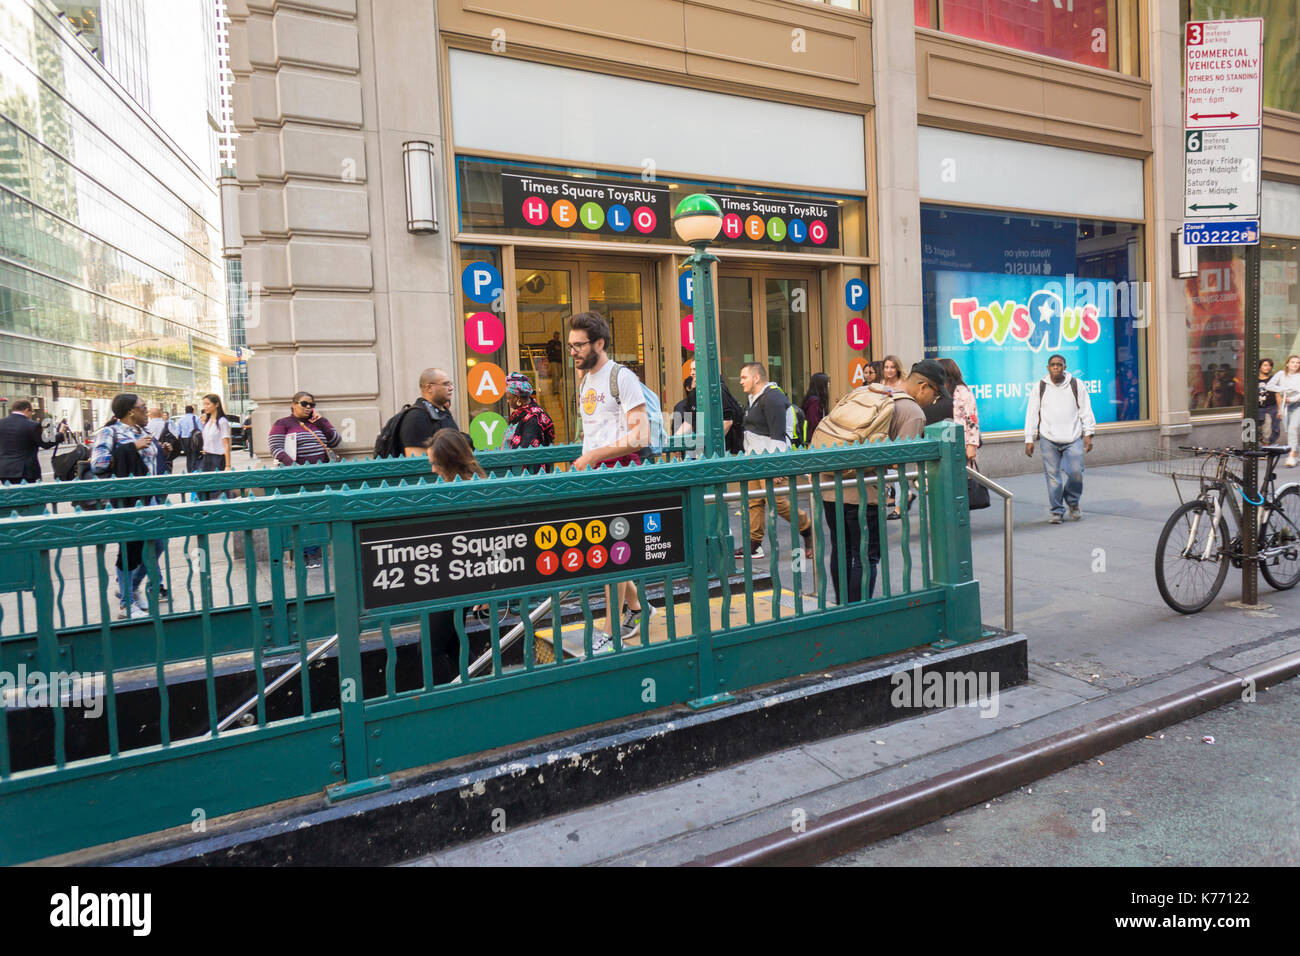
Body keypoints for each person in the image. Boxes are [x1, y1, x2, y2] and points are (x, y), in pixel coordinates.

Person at [811, 360, 946, 603]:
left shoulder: (868, 391)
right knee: (865, 556)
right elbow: (899, 461)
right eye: (935, 395)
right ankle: (859, 612)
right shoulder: (912, 411)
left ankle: (843, 608)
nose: (933, 401)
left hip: (831, 486)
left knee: (840, 550)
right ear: (924, 387)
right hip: (864, 493)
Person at [568, 310, 655, 640]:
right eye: (571, 344)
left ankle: (609, 630)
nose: (573, 351)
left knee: (611, 555)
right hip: (596, 475)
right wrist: (586, 455)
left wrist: (592, 456)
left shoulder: (623, 378)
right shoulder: (586, 380)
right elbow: (595, 428)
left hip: (619, 474)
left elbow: (640, 435)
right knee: (606, 552)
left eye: (579, 345)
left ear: (599, 343)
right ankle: (637, 608)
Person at [90, 393, 170, 618]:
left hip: (151, 496)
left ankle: (131, 587)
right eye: (143, 408)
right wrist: (131, 447)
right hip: (128, 498)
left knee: (158, 544)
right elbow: (98, 463)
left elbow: (148, 462)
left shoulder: (142, 431)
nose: (147, 411)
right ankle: (126, 603)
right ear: (129, 411)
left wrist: (160, 451)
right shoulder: (111, 432)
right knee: (129, 548)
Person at [421, 430, 488, 682]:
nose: (433, 470)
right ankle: (481, 685)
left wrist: (482, 588)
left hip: (455, 582)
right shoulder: (462, 485)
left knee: (429, 649)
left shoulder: (470, 489)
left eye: (435, 464)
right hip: (448, 579)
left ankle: (441, 704)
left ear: (449, 461)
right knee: (451, 642)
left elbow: (483, 541)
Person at [737, 361, 813, 561]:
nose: (741, 382)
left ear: (756, 378)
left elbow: (778, 435)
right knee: (754, 500)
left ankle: (807, 528)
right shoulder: (755, 397)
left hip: (770, 460)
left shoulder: (773, 397)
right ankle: (754, 545)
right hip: (754, 459)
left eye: (744, 377)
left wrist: (776, 467)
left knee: (776, 501)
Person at [268, 392, 342, 568]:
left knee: (317, 514)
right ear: (293, 404)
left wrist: (321, 422)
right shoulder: (283, 424)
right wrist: (295, 468)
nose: (308, 407)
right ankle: (306, 554)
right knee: (303, 515)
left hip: (321, 476)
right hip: (298, 478)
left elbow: (335, 441)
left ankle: (313, 553)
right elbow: (276, 449)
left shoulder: (318, 422)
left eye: (311, 404)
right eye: (304, 403)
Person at [1024, 354, 1096, 523]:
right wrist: (1029, 438)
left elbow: (1086, 410)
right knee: (1053, 477)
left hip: (1072, 437)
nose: (1056, 367)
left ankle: (1072, 501)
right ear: (1048, 367)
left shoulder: (1076, 385)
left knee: (1076, 473)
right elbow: (1032, 414)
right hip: (1048, 438)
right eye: (1052, 365)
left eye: (1059, 364)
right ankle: (1057, 510)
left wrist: (1088, 434)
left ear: (1065, 367)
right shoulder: (1040, 387)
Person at [671, 359, 743, 458]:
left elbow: (727, 422)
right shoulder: (694, 393)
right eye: (691, 369)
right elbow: (688, 422)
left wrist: (710, 445)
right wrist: (676, 441)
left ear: (705, 370)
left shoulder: (718, 390)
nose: (691, 373)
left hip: (722, 451)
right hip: (702, 450)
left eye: (695, 369)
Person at [399, 368, 458, 457]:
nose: (451, 388)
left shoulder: (442, 412)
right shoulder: (417, 417)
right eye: (446, 384)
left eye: (451, 384)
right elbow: (417, 462)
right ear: (429, 388)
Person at [502, 372, 555, 470]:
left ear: (517, 398)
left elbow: (525, 452)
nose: (507, 401)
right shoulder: (519, 414)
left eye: (509, 398)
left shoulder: (534, 418)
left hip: (531, 475)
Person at [0, 400, 57, 483]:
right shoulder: (33, 425)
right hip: (26, 472)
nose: (31, 415)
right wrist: (60, 434)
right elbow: (46, 444)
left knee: (10, 495)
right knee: (30, 495)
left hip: (5, 471)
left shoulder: (1, 423)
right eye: (32, 412)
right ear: (26, 410)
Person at [940, 358, 980, 466]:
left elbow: (972, 418)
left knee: (965, 477)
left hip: (962, 443)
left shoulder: (963, 391)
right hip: (947, 442)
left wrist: (971, 445)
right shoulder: (940, 392)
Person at [1265, 355, 1300, 467]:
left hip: (1297, 405)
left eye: (1298, 363)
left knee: (1292, 428)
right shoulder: (1281, 374)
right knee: (1289, 431)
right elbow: (1269, 386)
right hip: (1285, 405)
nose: (1295, 364)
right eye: (1293, 362)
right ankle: (1295, 450)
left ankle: (1292, 455)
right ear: (1287, 364)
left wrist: (1292, 399)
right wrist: (1283, 390)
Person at [173, 404, 201, 472]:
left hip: (185, 440)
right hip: (194, 439)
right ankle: (194, 470)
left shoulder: (181, 420)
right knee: (194, 455)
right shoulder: (196, 418)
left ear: (185, 411)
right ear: (193, 411)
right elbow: (201, 429)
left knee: (188, 456)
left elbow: (178, 432)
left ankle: (189, 471)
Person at [1258, 358, 1277, 445]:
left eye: (1270, 365)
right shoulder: (1254, 380)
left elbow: (1278, 394)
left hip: (1269, 407)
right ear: (1259, 367)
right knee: (1256, 430)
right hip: (1257, 408)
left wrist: (1280, 409)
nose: (1268, 367)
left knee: (1267, 430)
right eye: (1265, 365)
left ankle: (1266, 450)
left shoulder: (1273, 379)